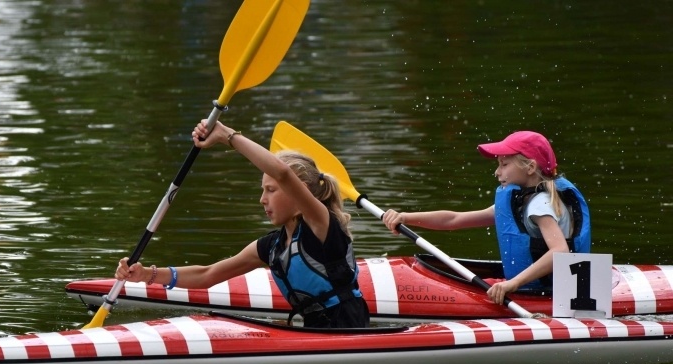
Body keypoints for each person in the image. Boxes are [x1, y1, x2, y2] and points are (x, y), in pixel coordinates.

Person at [115, 119, 370, 328]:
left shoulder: (321, 226)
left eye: (271, 190)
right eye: (263, 190)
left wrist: (227, 135)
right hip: (313, 332)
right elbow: (208, 274)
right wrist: (147, 275)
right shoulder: (272, 247)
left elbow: (282, 173)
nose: (262, 199)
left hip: (350, 329)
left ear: (298, 191)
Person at [382, 131, 591, 304]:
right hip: (539, 288)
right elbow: (454, 220)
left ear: (530, 167)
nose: (497, 172)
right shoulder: (524, 201)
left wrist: (512, 284)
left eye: (504, 164)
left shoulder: (539, 206)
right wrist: (405, 217)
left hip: (547, 293)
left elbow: (560, 251)